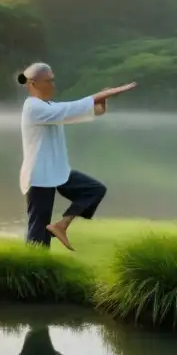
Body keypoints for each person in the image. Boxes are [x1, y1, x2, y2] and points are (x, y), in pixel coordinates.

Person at [18, 62, 136, 251]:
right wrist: (106, 93)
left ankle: (61, 225)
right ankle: (32, 272)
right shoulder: (34, 108)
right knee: (38, 228)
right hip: (39, 175)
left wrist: (103, 100)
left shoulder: (48, 106)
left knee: (94, 190)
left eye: (53, 80)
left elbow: (92, 111)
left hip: (57, 170)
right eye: (48, 81)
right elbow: (75, 107)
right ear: (33, 84)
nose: (53, 85)